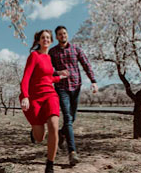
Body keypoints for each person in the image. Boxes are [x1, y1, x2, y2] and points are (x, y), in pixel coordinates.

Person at [21, 30, 71, 173]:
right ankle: (34, 132)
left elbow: (48, 78)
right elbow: (26, 77)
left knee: (54, 126)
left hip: (50, 95)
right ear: (38, 41)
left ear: (51, 40)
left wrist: (59, 77)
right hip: (35, 97)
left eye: (48, 38)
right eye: (43, 38)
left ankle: (50, 164)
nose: (46, 40)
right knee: (39, 138)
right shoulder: (34, 56)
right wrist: (25, 96)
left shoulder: (49, 58)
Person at [48, 25, 98, 166]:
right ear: (56, 37)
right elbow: (47, 69)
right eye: (59, 34)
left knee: (72, 117)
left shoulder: (76, 49)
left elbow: (86, 64)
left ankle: (61, 134)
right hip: (61, 87)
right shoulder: (52, 52)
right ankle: (72, 153)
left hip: (76, 86)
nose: (62, 35)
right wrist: (57, 73)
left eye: (64, 33)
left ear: (67, 35)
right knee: (68, 118)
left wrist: (93, 81)